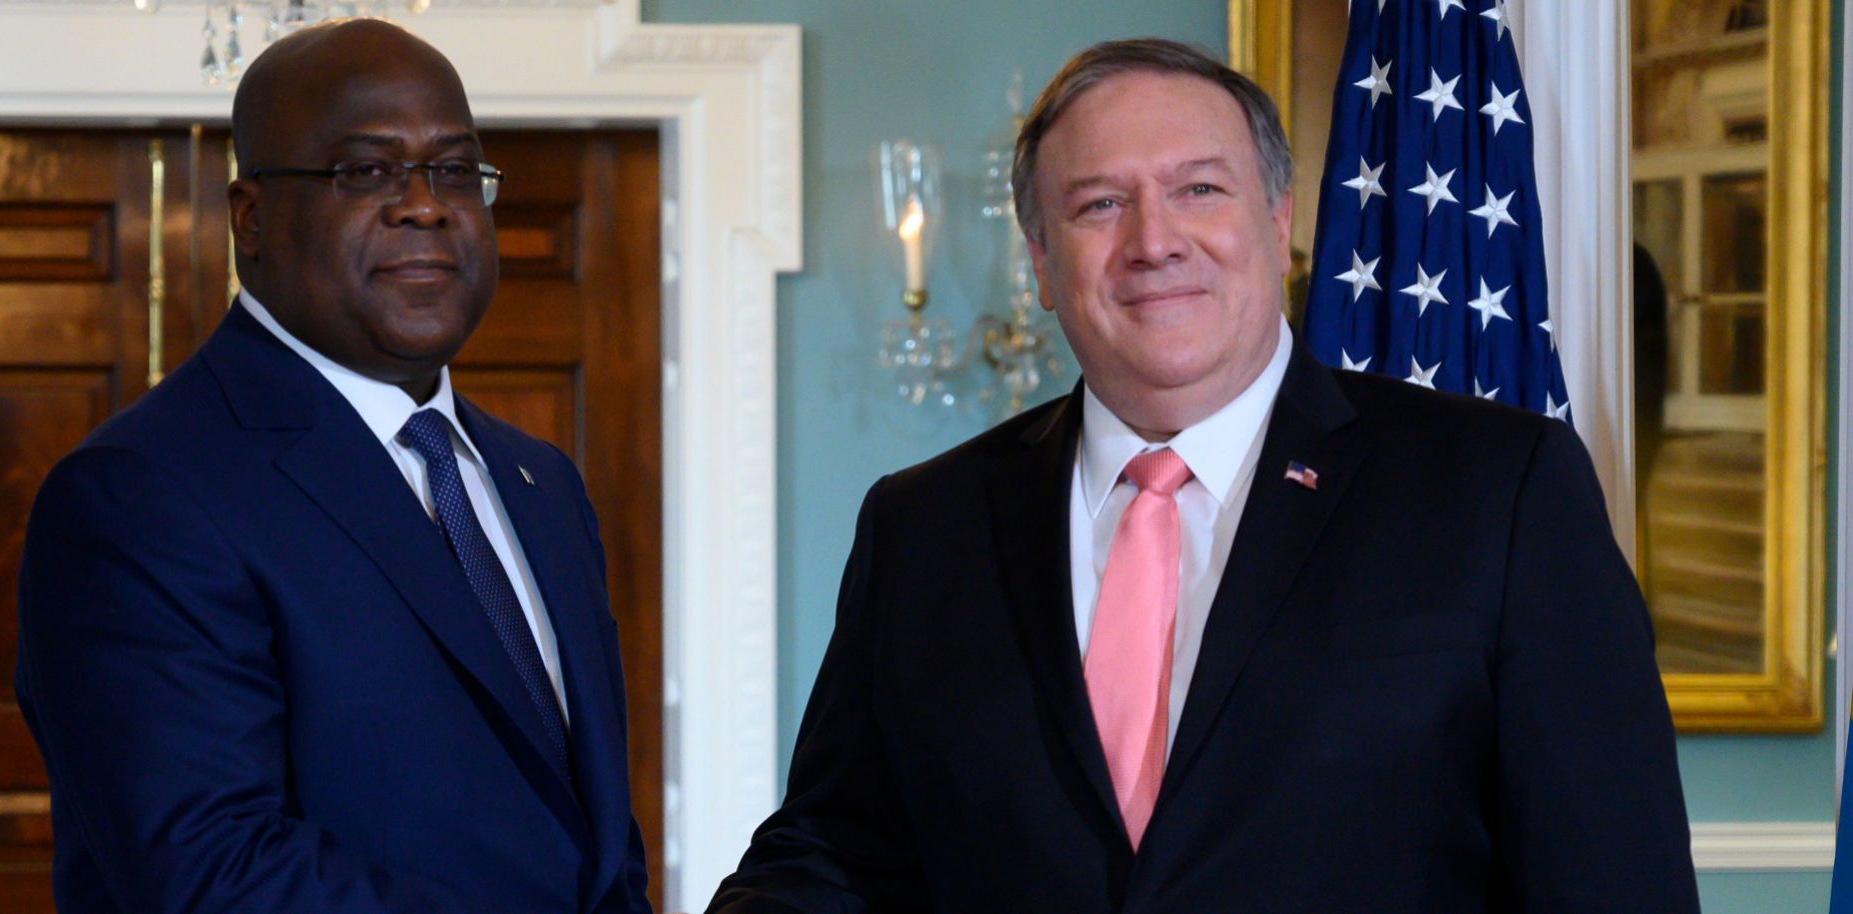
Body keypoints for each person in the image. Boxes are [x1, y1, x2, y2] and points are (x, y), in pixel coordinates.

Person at [710, 38, 1697, 913]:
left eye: (1199, 189)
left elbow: (1610, 880)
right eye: (1100, 203)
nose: (1153, 240)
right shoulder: (924, 524)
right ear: (1042, 264)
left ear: (1277, 222)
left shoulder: (1498, 490)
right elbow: (838, 853)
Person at [15, 19, 648, 913]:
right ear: (253, 219)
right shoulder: (139, 494)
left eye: (456, 169)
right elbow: (209, 873)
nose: (425, 204)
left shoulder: (539, 484)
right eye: (368, 170)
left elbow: (595, 849)